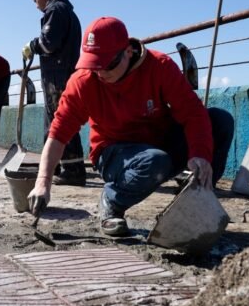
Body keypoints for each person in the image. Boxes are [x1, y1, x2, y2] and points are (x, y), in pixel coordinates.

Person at [27, 17, 234, 236]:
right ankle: (112, 201)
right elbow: (58, 135)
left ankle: (195, 198)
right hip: (114, 152)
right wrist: (42, 183)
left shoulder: (159, 66)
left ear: (128, 51)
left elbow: (193, 112)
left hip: (159, 144)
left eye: (108, 64)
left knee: (219, 121)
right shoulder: (83, 82)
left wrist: (200, 154)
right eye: (94, 64)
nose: (101, 72)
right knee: (155, 161)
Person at [22, 0, 86, 186]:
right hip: (61, 73)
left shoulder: (56, 10)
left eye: (35, 0)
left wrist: (32, 45)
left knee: (62, 120)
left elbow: (48, 43)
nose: (36, 5)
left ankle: (73, 170)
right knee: (53, 122)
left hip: (58, 75)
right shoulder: (67, 12)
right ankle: (55, 165)